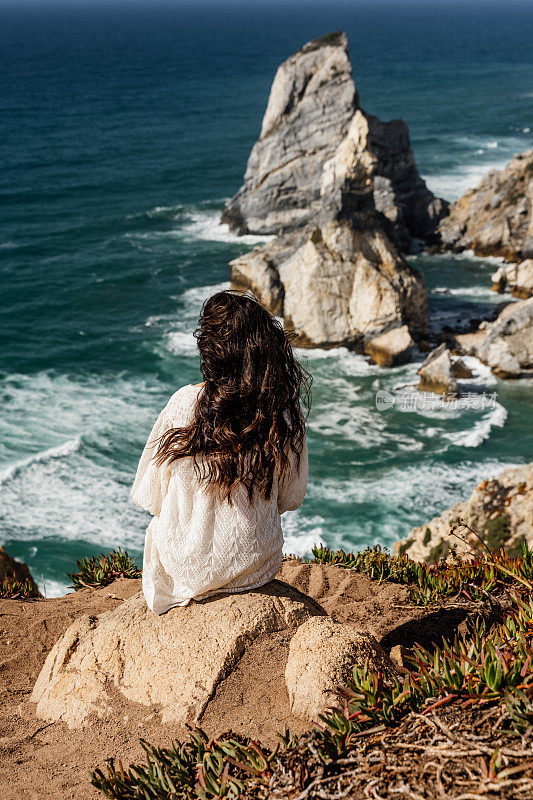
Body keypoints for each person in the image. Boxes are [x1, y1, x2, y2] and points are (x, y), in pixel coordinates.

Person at [131, 290, 311, 614]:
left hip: (185, 570)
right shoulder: (282, 413)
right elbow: (291, 499)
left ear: (209, 351)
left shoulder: (182, 404)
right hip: (255, 567)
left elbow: (150, 496)